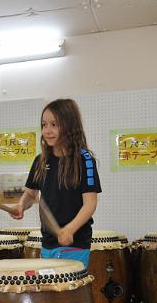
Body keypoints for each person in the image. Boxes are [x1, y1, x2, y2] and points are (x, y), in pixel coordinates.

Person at [12, 99, 101, 268]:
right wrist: (22, 205)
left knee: (70, 286)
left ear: (69, 125)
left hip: (75, 244)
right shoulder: (40, 160)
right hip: (48, 243)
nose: (47, 131)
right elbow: (31, 193)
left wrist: (69, 229)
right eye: (44, 125)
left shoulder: (84, 160)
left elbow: (90, 204)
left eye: (54, 124)